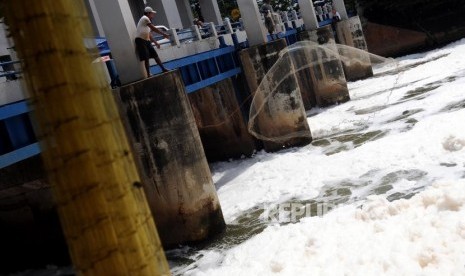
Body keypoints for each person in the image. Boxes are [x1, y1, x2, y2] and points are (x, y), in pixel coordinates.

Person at [135, 6, 170, 77]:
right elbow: (154, 29)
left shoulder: (147, 22)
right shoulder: (145, 18)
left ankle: (163, 68)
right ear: (148, 13)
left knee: (155, 55)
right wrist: (164, 34)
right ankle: (148, 74)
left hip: (146, 40)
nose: (153, 15)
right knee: (146, 57)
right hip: (140, 40)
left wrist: (155, 42)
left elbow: (149, 35)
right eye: (152, 13)